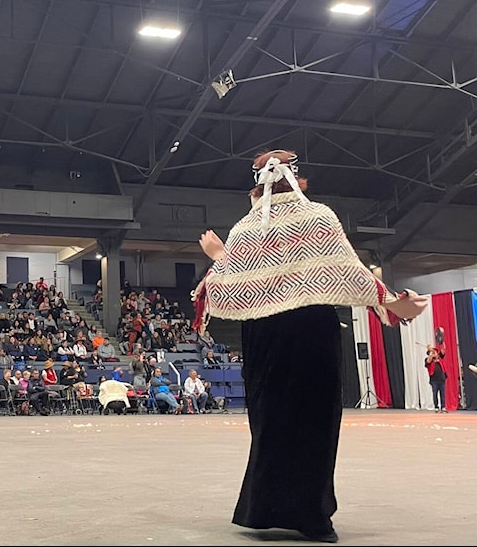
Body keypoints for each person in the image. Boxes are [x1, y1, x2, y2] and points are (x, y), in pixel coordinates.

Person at [191, 149, 428, 543]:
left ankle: (263, 508)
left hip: (263, 333)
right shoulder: (318, 217)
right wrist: (390, 300)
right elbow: (350, 274)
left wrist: (219, 256)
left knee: (270, 421)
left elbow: (219, 287)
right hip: (311, 330)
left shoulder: (245, 230)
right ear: (298, 177)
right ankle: (312, 514)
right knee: (316, 420)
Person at [425, 341, 448, 413]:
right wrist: (430, 352)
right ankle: (436, 407)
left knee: (442, 394)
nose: (434, 352)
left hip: (442, 379)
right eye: (433, 352)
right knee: (435, 394)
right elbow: (428, 361)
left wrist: (442, 342)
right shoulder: (428, 360)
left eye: (435, 351)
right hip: (434, 380)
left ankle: (443, 407)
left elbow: (443, 349)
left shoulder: (439, 358)